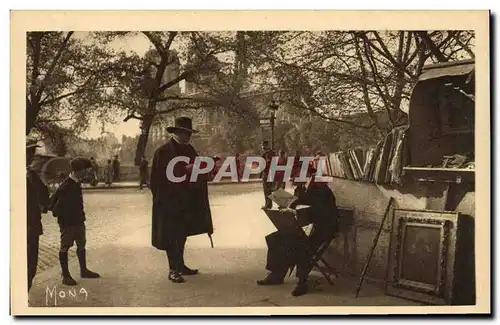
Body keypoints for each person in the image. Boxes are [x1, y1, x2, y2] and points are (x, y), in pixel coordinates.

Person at [150, 117, 214, 284]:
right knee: (171, 235)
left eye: (189, 134)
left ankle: (180, 264)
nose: (188, 137)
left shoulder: (189, 149)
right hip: (169, 202)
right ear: (177, 133)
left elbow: (195, 172)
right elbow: (156, 180)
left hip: (186, 201)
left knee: (182, 234)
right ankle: (173, 269)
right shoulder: (162, 151)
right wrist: (184, 170)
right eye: (186, 133)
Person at [257, 166, 339, 296]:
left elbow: (317, 210)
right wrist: (286, 199)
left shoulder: (321, 189)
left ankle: (303, 282)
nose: (294, 178)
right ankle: (276, 274)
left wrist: (298, 203)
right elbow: (298, 203)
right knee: (275, 238)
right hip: (311, 227)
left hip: (323, 230)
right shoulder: (307, 188)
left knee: (300, 246)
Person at [48, 157, 100, 286]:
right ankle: (65, 276)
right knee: (65, 246)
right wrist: (66, 220)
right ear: (78, 170)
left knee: (81, 244)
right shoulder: (66, 186)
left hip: (78, 221)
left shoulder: (76, 182)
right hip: (68, 223)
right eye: (85, 170)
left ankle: (83, 270)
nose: (86, 172)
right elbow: (54, 207)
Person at [26, 139, 49, 292]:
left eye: (32, 152)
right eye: (29, 152)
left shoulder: (33, 175)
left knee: (30, 265)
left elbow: (44, 196)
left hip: (32, 227)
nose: (31, 155)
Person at [260, 140, 276, 209]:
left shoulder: (268, 153)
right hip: (269, 174)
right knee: (271, 189)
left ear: (266, 145)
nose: (262, 146)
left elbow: (268, 163)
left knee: (267, 190)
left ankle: (268, 205)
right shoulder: (271, 152)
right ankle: (269, 204)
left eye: (263, 145)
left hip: (267, 174)